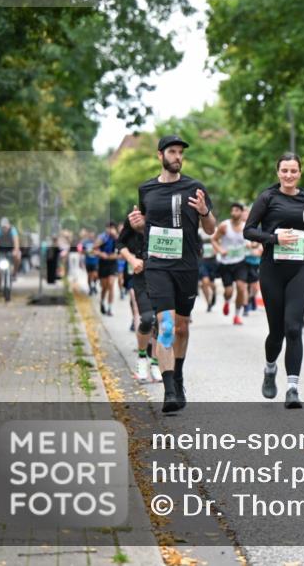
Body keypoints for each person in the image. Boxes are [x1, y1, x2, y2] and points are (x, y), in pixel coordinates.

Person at [128, 135, 216, 413]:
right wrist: (139, 224)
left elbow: (211, 229)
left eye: (180, 152)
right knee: (164, 325)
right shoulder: (146, 189)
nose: (177, 156)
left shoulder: (194, 187)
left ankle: (177, 375)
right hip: (157, 266)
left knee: (181, 327)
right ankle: (169, 391)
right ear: (160, 156)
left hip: (186, 266)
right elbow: (146, 226)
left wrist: (204, 212)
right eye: (172, 152)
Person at [244, 152, 304, 408]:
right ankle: (270, 369)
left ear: (300, 172)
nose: (289, 175)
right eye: (285, 171)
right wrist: (274, 239)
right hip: (272, 269)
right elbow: (249, 229)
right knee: (277, 331)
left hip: (300, 268)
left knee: (293, 326)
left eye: (293, 171)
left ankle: (292, 388)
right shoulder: (268, 197)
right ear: (278, 172)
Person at [117, 215, 161, 383]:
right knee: (148, 318)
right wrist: (131, 259)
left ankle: (155, 362)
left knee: (161, 321)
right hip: (141, 278)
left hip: (163, 276)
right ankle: (142, 357)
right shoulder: (133, 217)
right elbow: (120, 243)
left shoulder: (163, 214)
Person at [212, 203, 249, 325]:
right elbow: (214, 239)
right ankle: (227, 301)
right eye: (232, 210)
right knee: (229, 291)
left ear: (242, 213)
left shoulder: (246, 227)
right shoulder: (224, 226)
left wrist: (253, 245)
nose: (234, 212)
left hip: (240, 262)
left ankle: (237, 315)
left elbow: (251, 242)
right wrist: (220, 250)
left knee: (241, 287)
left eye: (237, 210)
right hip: (226, 263)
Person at [95, 221, 119, 316]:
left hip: (113, 264)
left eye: (112, 228)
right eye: (108, 228)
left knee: (111, 284)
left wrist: (116, 236)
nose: (110, 230)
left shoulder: (117, 237)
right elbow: (93, 249)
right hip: (103, 263)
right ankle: (102, 302)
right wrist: (101, 254)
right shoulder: (102, 237)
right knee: (104, 287)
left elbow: (122, 248)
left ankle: (110, 308)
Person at [0, 217, 21, 294]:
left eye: (6, 227)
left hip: (11, 250)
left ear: (9, 225)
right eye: (3, 227)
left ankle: (14, 273)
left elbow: (16, 242)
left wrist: (15, 251)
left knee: (18, 256)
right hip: (0, 251)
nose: (4, 228)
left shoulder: (13, 230)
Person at [198, 229, 219, 312]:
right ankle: (209, 303)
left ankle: (214, 292)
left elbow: (219, 242)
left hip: (212, 260)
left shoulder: (215, 230)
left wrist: (216, 249)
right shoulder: (199, 232)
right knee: (204, 282)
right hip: (202, 261)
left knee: (211, 283)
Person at [244, 239, 263, 317]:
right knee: (245, 286)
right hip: (245, 265)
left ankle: (252, 298)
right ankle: (246, 306)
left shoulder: (261, 243)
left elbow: (259, 253)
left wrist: (250, 250)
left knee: (255, 287)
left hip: (256, 266)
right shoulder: (245, 241)